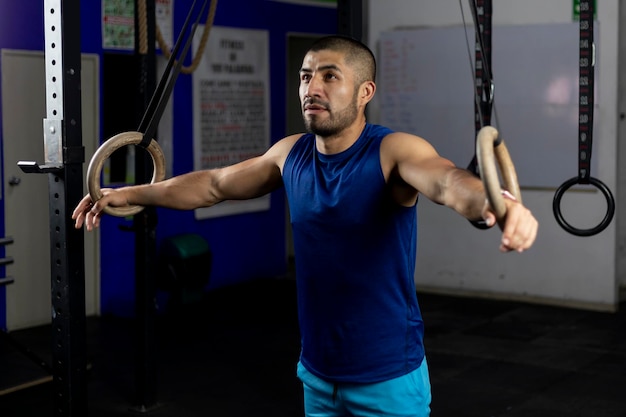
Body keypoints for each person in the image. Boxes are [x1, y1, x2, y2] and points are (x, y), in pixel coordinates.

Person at [73, 35, 538, 417]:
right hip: (316, 374)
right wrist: (127, 193)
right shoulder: (290, 153)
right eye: (305, 75)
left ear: (365, 92)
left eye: (329, 76)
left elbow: (447, 181)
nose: (311, 87)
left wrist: (498, 203)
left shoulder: (394, 151)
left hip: (387, 379)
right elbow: (213, 185)